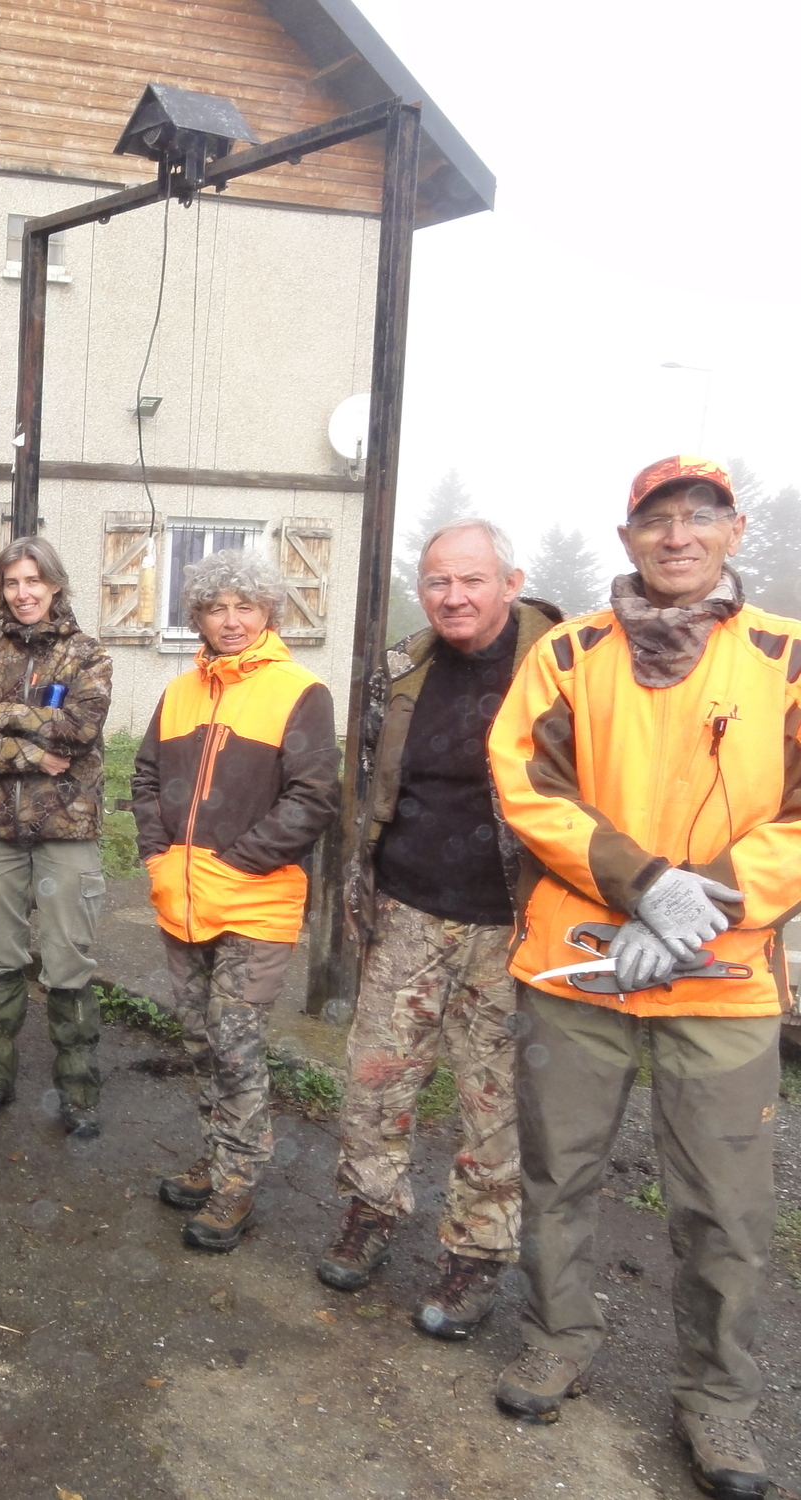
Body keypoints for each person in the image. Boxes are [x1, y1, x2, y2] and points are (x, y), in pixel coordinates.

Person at [488, 456, 801, 1500]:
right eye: (654, 520)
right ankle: (553, 1340)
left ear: (731, 532)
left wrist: (695, 902)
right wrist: (638, 886)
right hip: (574, 970)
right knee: (556, 1174)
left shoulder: (784, 660)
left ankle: (716, 1403)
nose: (676, 536)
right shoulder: (570, 653)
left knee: (724, 1207)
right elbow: (523, 784)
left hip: (720, 983)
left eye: (697, 519)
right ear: (625, 539)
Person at [317, 518, 561, 1338]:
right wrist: (364, 884)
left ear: (511, 581)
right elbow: (372, 782)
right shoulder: (405, 666)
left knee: (495, 1104)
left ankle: (476, 1254)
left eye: (471, 580)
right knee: (375, 1083)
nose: (453, 597)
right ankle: (371, 1214)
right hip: (410, 915)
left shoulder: (566, 666)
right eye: (436, 582)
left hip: (515, 927)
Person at [130, 548, 338, 1253]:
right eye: (216, 607)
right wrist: (158, 857)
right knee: (199, 1042)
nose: (231, 620)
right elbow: (145, 779)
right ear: (197, 616)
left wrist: (239, 863)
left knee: (236, 1046)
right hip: (181, 903)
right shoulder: (179, 692)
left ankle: (237, 1185)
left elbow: (313, 801)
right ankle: (218, 1158)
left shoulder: (300, 692)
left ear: (268, 612)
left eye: (245, 606)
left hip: (256, 907)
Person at [0, 536, 113, 1137]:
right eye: (12, 583)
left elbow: (79, 728)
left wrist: (7, 715)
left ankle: (79, 1088)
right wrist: (27, 754)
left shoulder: (89, 656)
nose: (23, 594)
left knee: (68, 956)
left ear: (55, 585)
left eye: (33, 582)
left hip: (66, 830)